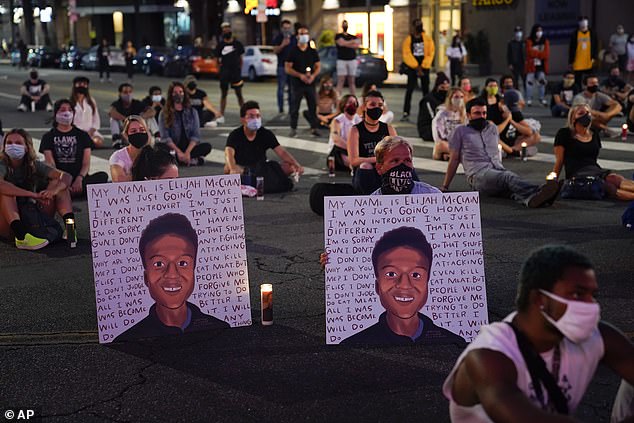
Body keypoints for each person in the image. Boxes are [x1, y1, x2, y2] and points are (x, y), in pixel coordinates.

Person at [443, 245, 634, 422]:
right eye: (577, 294)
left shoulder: (598, 337)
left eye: (593, 296)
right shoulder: (488, 355)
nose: (591, 305)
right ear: (539, 299)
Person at [114, 213, 230, 342]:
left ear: (194, 271)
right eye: (159, 264)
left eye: (182, 263)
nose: (172, 274)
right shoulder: (128, 341)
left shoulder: (222, 329)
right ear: (146, 277)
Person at [341, 226, 463, 345]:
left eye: (416, 275)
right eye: (391, 273)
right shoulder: (352, 346)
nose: (404, 285)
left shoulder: (455, 343)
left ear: (427, 283)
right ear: (377, 286)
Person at [441, 97, 560, 208]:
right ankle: (540, 191)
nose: (482, 116)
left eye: (484, 113)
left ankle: (532, 201)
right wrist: (445, 186)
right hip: (478, 176)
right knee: (508, 177)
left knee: (512, 190)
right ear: (468, 115)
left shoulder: (492, 128)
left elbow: (499, 148)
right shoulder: (460, 132)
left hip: (497, 170)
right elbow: (454, 160)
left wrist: (512, 150)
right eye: (477, 113)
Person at [0, 128, 73, 250]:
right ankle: (21, 237)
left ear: (27, 147)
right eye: (9, 143)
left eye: (18, 143)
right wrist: (32, 195)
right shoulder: (2, 164)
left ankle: (71, 227)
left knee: (59, 184)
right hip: (9, 221)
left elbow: (66, 177)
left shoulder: (33, 164)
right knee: (6, 192)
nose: (13, 146)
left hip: (32, 214)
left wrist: (52, 191)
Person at [552, 104, 634, 201]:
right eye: (581, 113)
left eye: (588, 113)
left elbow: (592, 159)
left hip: (596, 171)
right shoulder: (564, 134)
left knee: (615, 179)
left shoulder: (594, 133)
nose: (586, 116)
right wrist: (552, 182)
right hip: (578, 175)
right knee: (609, 188)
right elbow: (559, 161)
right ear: (573, 118)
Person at [39, 99, 108, 196]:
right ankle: (66, 192)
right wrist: (62, 183)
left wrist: (79, 179)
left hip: (79, 179)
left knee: (102, 176)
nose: (66, 113)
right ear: (55, 114)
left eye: (70, 110)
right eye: (62, 110)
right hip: (59, 179)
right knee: (38, 182)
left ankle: (64, 193)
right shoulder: (48, 137)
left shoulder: (83, 135)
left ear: (73, 114)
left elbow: (86, 164)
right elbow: (51, 165)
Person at [224, 100, 303, 178]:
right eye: (251, 116)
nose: (255, 119)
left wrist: (296, 164)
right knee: (228, 168)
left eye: (258, 116)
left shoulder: (266, 134)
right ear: (243, 119)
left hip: (261, 167)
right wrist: (233, 168)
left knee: (290, 167)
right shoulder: (235, 135)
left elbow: (281, 152)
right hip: (243, 168)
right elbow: (229, 154)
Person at [348, 90, 397, 194]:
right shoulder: (355, 130)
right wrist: (378, 159)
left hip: (384, 172)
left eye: (380, 105)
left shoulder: (388, 129)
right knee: (365, 165)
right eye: (372, 105)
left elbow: (397, 152)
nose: (377, 108)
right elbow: (353, 161)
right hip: (364, 174)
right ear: (364, 107)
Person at [158, 82, 212, 167]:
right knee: (159, 148)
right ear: (171, 94)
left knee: (207, 146)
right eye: (175, 92)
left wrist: (187, 153)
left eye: (180, 92)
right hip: (173, 147)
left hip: (188, 147)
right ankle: (192, 160)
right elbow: (165, 137)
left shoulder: (192, 111)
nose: (178, 94)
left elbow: (196, 135)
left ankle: (181, 160)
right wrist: (178, 152)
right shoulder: (164, 113)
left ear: (184, 94)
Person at [285, 24, 321, 138]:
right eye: (301, 33)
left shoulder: (312, 51)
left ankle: (314, 127)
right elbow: (288, 68)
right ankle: (293, 128)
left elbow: (318, 66)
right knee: (295, 106)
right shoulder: (293, 51)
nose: (304, 36)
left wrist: (313, 76)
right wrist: (300, 76)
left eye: (305, 33)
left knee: (313, 106)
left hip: (310, 83)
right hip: (297, 84)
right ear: (297, 36)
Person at [371, 136, 440, 196]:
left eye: (407, 160)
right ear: (379, 168)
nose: (402, 165)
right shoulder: (371, 204)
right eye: (395, 161)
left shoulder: (433, 195)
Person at [401, 18, 435, 122]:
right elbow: (406, 54)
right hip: (412, 68)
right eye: (416, 24)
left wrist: (423, 65)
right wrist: (416, 66)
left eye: (420, 24)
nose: (418, 26)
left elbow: (431, 53)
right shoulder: (408, 39)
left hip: (424, 67)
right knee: (409, 90)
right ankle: (406, 113)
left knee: (426, 91)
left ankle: (428, 112)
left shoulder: (428, 39)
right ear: (413, 26)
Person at [109, 83, 155, 149]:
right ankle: (116, 140)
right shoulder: (117, 104)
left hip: (137, 128)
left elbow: (152, 111)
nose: (128, 94)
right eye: (125, 92)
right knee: (113, 119)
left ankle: (157, 136)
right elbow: (111, 112)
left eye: (130, 92)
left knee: (151, 118)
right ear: (120, 93)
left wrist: (141, 117)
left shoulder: (137, 103)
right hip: (124, 130)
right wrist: (127, 119)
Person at [216, 22, 245, 120]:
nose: (226, 30)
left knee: (239, 94)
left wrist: (239, 69)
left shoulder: (237, 44)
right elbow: (217, 60)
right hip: (224, 72)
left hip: (235, 72)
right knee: (223, 94)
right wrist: (220, 71)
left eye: (227, 28)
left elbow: (241, 59)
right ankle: (221, 115)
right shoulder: (220, 45)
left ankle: (244, 114)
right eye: (224, 29)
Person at [498, 89, 540, 156]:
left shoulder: (515, 111)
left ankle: (510, 150)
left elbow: (529, 131)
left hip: (512, 140)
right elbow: (494, 132)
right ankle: (511, 151)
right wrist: (506, 120)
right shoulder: (495, 111)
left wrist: (511, 121)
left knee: (536, 136)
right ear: (502, 102)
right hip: (499, 140)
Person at [109, 115, 151, 182]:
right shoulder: (118, 157)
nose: (138, 133)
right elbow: (119, 180)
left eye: (142, 130)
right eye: (133, 131)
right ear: (126, 135)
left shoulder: (154, 155)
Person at [432, 87, 467, 161]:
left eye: (461, 97)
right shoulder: (441, 114)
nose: (459, 99)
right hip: (446, 144)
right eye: (456, 97)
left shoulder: (464, 113)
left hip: (460, 144)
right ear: (450, 98)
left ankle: (451, 156)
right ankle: (459, 155)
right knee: (441, 145)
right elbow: (439, 136)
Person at [328, 94, 361, 171]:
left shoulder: (358, 119)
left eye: (354, 103)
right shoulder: (337, 121)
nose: (353, 105)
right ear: (343, 105)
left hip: (354, 150)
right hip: (339, 150)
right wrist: (353, 150)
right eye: (350, 102)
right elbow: (336, 140)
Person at [70, 76, 104, 148]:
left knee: (98, 142)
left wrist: (91, 132)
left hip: (90, 132)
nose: (82, 85)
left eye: (84, 84)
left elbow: (96, 120)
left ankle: (85, 143)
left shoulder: (91, 101)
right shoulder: (70, 102)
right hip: (75, 132)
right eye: (79, 83)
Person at [272, 19, 296, 115]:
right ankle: (281, 108)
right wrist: (283, 45)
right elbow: (275, 51)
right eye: (285, 28)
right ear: (282, 28)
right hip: (282, 66)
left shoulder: (294, 38)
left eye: (288, 28)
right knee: (281, 88)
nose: (287, 30)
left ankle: (291, 108)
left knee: (291, 89)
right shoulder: (278, 37)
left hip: (292, 67)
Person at [417, 72, 450, 141]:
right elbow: (434, 118)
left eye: (447, 88)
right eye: (442, 87)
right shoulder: (428, 100)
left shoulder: (448, 99)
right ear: (437, 87)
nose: (445, 90)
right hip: (428, 129)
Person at [525, 24, 550, 107]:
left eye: (540, 30)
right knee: (529, 82)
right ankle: (529, 99)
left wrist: (536, 54)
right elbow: (529, 52)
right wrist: (540, 54)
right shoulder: (529, 41)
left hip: (541, 66)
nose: (539, 32)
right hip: (531, 66)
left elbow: (546, 54)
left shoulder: (545, 41)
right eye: (537, 31)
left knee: (542, 82)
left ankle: (541, 98)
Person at [569, 16, 598, 87]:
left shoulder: (592, 33)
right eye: (581, 21)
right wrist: (570, 61)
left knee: (591, 79)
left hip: (589, 60)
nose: (583, 23)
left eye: (585, 21)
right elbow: (571, 48)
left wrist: (594, 57)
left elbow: (595, 46)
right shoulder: (575, 33)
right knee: (578, 81)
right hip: (578, 61)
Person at [335, 20, 360, 96]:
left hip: (352, 60)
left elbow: (357, 45)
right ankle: (338, 97)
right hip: (341, 60)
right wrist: (351, 42)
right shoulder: (338, 36)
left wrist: (345, 43)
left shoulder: (352, 36)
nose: (345, 25)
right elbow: (340, 43)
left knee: (351, 81)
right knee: (341, 80)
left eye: (346, 24)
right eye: (344, 24)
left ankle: (353, 97)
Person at [507, 26, 526, 95]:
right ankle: (517, 94)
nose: (518, 34)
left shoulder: (524, 43)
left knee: (525, 79)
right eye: (517, 32)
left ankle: (526, 94)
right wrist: (510, 64)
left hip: (523, 64)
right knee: (515, 80)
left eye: (520, 32)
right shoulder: (511, 43)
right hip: (515, 64)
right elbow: (509, 54)